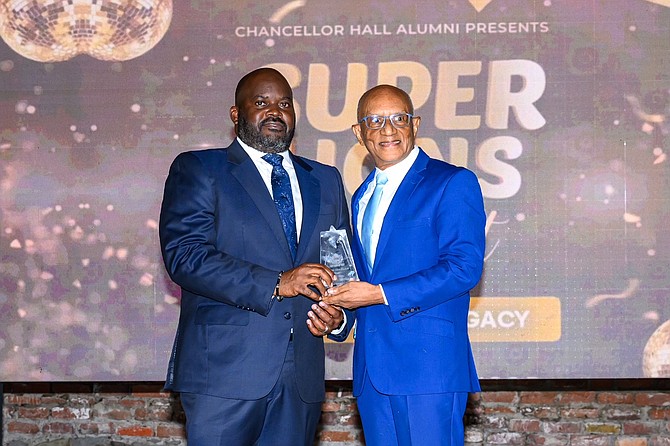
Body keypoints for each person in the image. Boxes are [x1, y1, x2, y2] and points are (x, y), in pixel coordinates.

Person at [159, 67, 352, 445]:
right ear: (237, 114)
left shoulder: (325, 179)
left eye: (284, 103)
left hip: (302, 377)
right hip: (224, 374)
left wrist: (340, 314)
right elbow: (185, 256)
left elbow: (338, 263)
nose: (275, 111)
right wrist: (278, 283)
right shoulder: (200, 169)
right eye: (261, 102)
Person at [323, 85, 485, 445]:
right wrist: (340, 316)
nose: (388, 129)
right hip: (371, 373)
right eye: (375, 120)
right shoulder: (361, 196)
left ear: (415, 124)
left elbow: (464, 267)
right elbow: (362, 281)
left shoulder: (452, 182)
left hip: (428, 368)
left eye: (399, 118)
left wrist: (381, 294)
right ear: (358, 132)